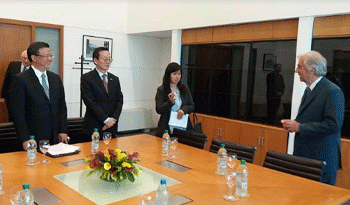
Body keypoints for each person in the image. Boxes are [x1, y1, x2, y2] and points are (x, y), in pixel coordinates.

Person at [281, 51, 345, 185]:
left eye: (299, 67)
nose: (296, 71)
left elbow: (333, 125)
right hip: (306, 158)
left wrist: (300, 127)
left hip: (321, 160)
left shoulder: (333, 91)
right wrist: (294, 125)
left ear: (312, 71)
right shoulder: (309, 90)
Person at [8, 42, 69, 150]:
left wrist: (62, 130)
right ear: (34, 57)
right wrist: (25, 138)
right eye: (46, 56)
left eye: (51, 55)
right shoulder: (20, 79)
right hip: (33, 137)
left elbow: (62, 107)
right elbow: (17, 113)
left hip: (54, 137)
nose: (50, 59)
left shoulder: (55, 78)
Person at [81, 47, 123, 138]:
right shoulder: (87, 78)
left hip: (112, 127)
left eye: (109, 59)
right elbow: (90, 102)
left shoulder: (114, 79)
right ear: (96, 60)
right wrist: (106, 120)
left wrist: (112, 120)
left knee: (112, 151)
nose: (108, 62)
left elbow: (119, 101)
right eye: (105, 59)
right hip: (94, 125)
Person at [155, 62, 194, 137]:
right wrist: (169, 102)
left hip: (182, 126)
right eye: (174, 74)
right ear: (168, 75)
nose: (177, 77)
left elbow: (191, 105)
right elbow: (158, 109)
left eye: (179, 74)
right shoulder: (162, 90)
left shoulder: (184, 88)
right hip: (167, 127)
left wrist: (183, 110)